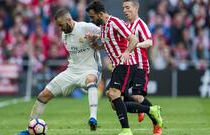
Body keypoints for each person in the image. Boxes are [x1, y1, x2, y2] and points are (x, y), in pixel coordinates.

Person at [18, 8, 102, 135]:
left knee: (91, 79)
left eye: (61, 25)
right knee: (43, 95)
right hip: (72, 71)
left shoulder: (86, 27)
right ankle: (29, 130)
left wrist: (96, 38)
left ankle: (93, 118)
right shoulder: (64, 35)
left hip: (90, 69)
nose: (60, 29)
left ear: (69, 20)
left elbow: (108, 34)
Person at [86, 1, 162, 135]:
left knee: (114, 94)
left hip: (126, 64)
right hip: (119, 65)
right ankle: (150, 110)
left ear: (101, 14)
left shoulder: (115, 22)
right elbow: (110, 41)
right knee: (115, 103)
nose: (92, 20)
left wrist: (126, 52)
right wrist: (97, 45)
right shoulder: (104, 26)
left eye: (93, 17)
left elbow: (134, 40)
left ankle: (127, 130)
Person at [122, 0, 162, 134]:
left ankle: (157, 123)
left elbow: (150, 42)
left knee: (138, 97)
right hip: (129, 66)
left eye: (127, 8)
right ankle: (140, 108)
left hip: (140, 66)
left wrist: (136, 45)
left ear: (135, 8)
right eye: (123, 8)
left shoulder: (140, 25)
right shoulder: (126, 26)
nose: (124, 10)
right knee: (120, 96)